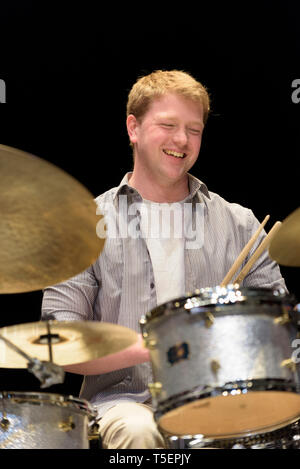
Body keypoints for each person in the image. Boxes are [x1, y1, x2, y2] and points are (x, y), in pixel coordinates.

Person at [41, 69, 287, 449]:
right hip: (124, 403)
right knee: (140, 432)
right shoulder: (83, 225)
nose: (181, 140)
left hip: (222, 402)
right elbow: (58, 341)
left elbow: (278, 330)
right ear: (133, 128)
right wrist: (155, 346)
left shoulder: (240, 223)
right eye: (168, 124)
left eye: (194, 129)